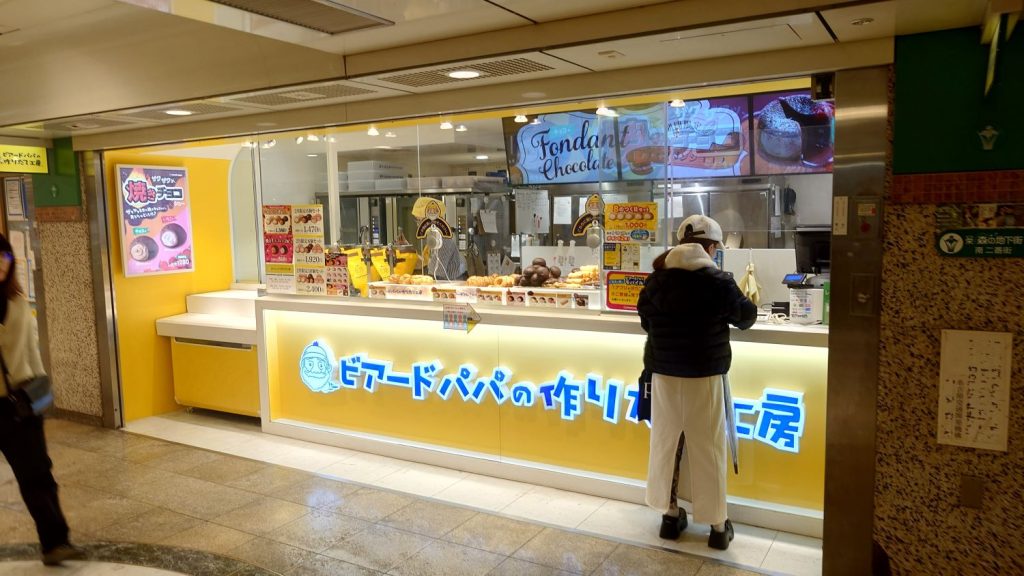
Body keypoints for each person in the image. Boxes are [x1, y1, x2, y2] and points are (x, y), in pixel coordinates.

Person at [637, 215, 756, 550]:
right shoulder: (718, 281)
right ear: (712, 247)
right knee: (708, 448)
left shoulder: (657, 280)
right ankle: (717, 526)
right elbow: (746, 317)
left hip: (664, 375)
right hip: (705, 376)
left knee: (666, 444)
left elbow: (646, 320)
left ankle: (669, 517)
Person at [0, 234, 84, 566]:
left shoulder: (18, 301)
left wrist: (38, 392)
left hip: (20, 405)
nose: (0, 264)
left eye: (5, 257)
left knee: (38, 475)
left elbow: (32, 351)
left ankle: (55, 542)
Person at [411, 197, 468, 281]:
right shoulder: (433, 236)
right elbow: (431, 262)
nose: (418, 225)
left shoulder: (443, 238)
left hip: (453, 282)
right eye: (417, 220)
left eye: (420, 220)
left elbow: (435, 273)